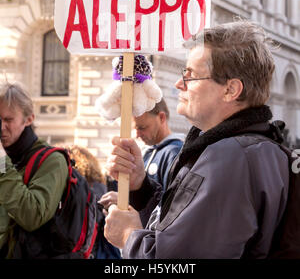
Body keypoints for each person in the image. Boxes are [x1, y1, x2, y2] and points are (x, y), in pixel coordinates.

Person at [102, 21, 290, 259]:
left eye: (190, 76)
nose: (179, 83)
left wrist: (129, 235)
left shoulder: (230, 158)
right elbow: (183, 229)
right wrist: (141, 186)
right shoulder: (250, 149)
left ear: (230, 90)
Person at [0, 82, 68, 259]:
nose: (1, 128)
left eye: (8, 120)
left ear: (28, 119)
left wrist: (1, 162)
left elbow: (32, 216)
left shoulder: (52, 161)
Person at [133, 98, 184, 190]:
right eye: (135, 129)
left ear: (161, 118)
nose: (137, 135)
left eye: (142, 128)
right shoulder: (146, 152)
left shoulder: (174, 152)